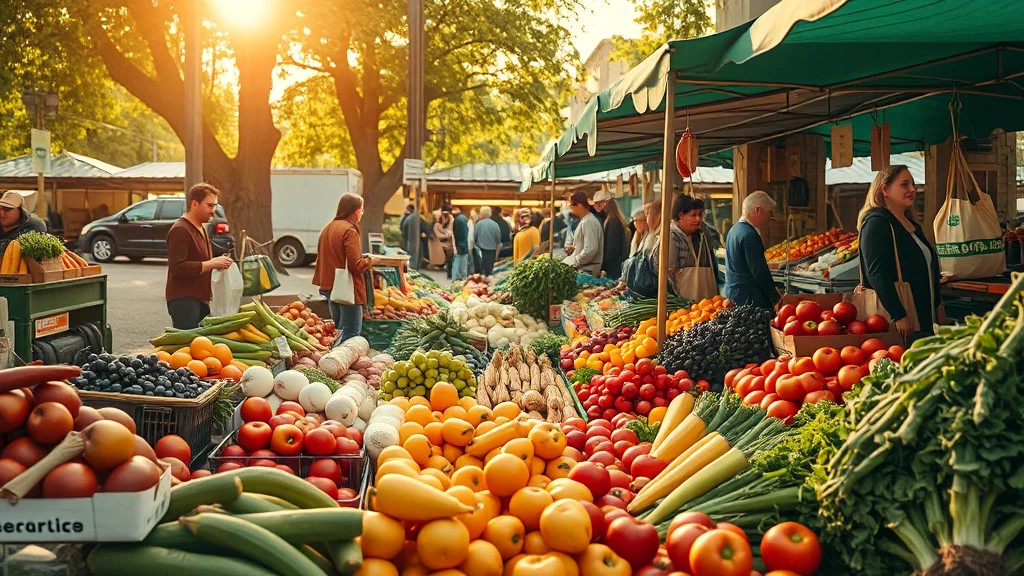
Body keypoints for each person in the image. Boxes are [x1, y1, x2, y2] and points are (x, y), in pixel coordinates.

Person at [858, 165, 944, 338]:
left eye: (913, 184)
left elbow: (929, 268)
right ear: (885, 189)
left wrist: (938, 304)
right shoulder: (877, 223)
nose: (912, 189)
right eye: (904, 184)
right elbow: (876, 273)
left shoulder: (911, 224)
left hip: (925, 318)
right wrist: (899, 315)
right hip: (902, 322)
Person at [165, 183, 233, 330]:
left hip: (200, 300)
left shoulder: (201, 227)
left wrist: (218, 262)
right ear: (194, 204)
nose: (213, 211)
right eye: (209, 206)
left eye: (215, 206)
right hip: (184, 300)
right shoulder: (180, 230)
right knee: (186, 348)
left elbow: (200, 261)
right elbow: (178, 267)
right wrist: (211, 264)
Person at [312, 194, 379, 343]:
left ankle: (333, 361)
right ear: (355, 211)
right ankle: (340, 363)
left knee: (339, 330)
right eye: (361, 210)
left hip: (330, 286)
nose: (362, 213)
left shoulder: (328, 227)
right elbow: (356, 266)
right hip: (347, 288)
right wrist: (371, 260)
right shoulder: (350, 230)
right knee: (351, 331)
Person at [724, 191, 780, 310]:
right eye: (770, 213)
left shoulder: (734, 230)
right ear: (758, 210)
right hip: (749, 299)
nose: (770, 218)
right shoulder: (750, 235)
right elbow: (759, 271)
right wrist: (775, 297)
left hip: (734, 294)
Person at [666, 195, 719, 301]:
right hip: (680, 300)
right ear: (680, 216)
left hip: (704, 299)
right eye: (693, 215)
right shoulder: (670, 236)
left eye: (700, 214)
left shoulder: (702, 234)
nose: (698, 219)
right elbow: (668, 271)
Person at [563, 191, 604, 276]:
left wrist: (575, 260)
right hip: (584, 268)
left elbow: (590, 249)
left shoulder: (588, 221)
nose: (571, 209)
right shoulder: (585, 220)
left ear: (580, 205)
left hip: (588, 270)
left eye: (572, 206)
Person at [0, 191, 47, 256]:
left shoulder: (34, 225)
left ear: (21, 210)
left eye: (7, 209)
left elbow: (12, 248)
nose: (1, 213)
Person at [601, 199, 630, 279]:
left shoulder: (612, 221)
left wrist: (605, 263)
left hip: (612, 262)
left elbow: (611, 244)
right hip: (618, 260)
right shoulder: (618, 220)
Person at [474, 207, 502, 276]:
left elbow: (474, 238)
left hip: (480, 252)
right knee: (489, 273)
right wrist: (496, 255)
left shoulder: (478, 224)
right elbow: (498, 242)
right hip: (492, 252)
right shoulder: (495, 225)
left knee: (479, 274)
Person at [433, 209, 454, 278]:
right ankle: (449, 272)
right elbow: (439, 235)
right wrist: (447, 236)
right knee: (449, 255)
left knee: (451, 255)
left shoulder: (446, 226)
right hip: (443, 244)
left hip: (449, 244)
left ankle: (450, 271)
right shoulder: (437, 225)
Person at [452, 206, 470, 281]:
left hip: (459, 245)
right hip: (463, 245)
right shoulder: (463, 219)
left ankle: (456, 279)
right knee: (462, 263)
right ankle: (461, 279)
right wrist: (464, 245)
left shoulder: (457, 219)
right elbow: (464, 234)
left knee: (457, 262)